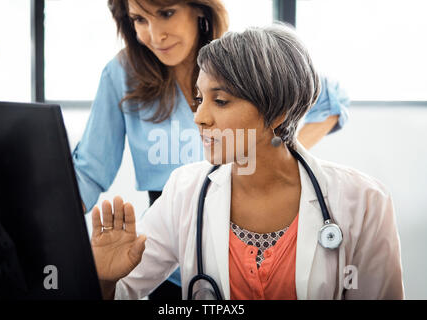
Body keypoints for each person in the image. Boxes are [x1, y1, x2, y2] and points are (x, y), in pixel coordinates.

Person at [90, 24, 404, 300]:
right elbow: (120, 293)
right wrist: (105, 278)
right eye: (199, 99)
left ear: (278, 113)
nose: (199, 118)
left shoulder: (364, 202)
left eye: (221, 101)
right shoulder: (185, 191)